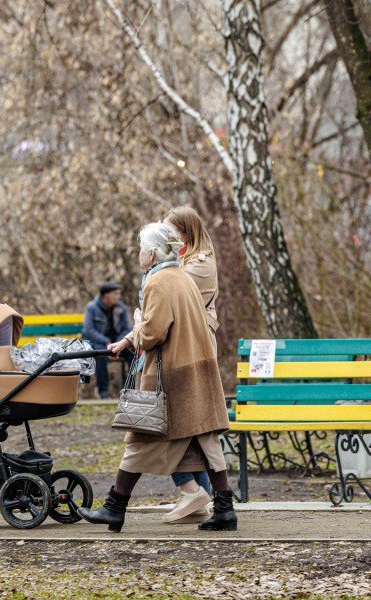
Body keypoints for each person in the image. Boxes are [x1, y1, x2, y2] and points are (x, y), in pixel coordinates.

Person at [77, 223, 236, 533]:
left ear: (150, 253)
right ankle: (225, 510)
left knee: (139, 439)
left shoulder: (158, 282)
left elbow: (153, 334)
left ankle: (114, 508)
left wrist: (137, 322)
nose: (139, 254)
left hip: (172, 376)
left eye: (140, 249)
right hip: (198, 369)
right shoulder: (181, 276)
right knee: (207, 441)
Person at [160, 206, 220, 524]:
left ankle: (199, 493)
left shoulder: (198, 265)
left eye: (171, 233)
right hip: (184, 348)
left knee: (184, 423)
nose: (166, 239)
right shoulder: (185, 261)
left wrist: (142, 320)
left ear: (186, 232)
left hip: (193, 350)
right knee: (190, 426)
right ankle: (199, 496)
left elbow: (166, 302)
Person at [82, 282, 133, 398]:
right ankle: (103, 392)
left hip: (117, 342)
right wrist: (106, 342)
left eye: (119, 294)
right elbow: (88, 331)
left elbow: (127, 329)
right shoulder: (92, 308)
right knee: (100, 354)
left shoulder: (121, 308)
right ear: (106, 296)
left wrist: (120, 343)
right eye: (115, 294)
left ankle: (132, 390)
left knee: (133, 354)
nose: (118, 297)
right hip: (99, 343)